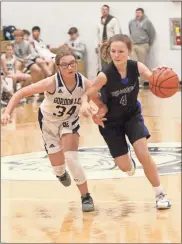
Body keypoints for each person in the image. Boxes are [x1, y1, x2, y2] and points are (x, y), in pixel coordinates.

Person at [1, 46, 95, 212]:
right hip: (49, 122)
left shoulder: (83, 81)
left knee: (72, 159)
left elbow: (96, 93)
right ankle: (60, 173)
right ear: (58, 67)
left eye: (72, 63)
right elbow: (20, 93)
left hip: (69, 121)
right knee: (58, 167)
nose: (69, 67)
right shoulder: (51, 82)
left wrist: (88, 104)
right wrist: (7, 112)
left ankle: (85, 196)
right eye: (65, 65)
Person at [82, 34, 171, 210]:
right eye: (113, 51)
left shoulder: (136, 66)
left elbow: (152, 77)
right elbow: (89, 92)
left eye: (121, 51)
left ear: (129, 52)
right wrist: (94, 105)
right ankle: (127, 160)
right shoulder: (105, 74)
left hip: (131, 116)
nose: (116, 55)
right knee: (125, 168)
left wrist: (161, 73)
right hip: (111, 122)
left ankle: (159, 194)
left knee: (143, 154)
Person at [129, 8, 156, 86]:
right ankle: (134, 82)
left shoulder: (147, 22)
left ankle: (141, 83)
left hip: (143, 45)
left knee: (142, 64)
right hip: (134, 45)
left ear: (142, 14)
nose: (137, 14)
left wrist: (148, 44)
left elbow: (152, 34)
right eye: (136, 12)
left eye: (139, 13)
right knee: (133, 63)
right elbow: (131, 32)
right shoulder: (131, 22)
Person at [97, 4, 121, 70]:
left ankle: (113, 78)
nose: (104, 11)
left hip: (111, 45)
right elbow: (98, 34)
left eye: (105, 10)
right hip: (103, 46)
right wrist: (98, 45)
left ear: (108, 11)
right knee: (103, 64)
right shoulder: (100, 21)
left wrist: (115, 44)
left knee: (112, 62)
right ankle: (105, 78)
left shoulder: (113, 20)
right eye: (103, 9)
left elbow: (117, 33)